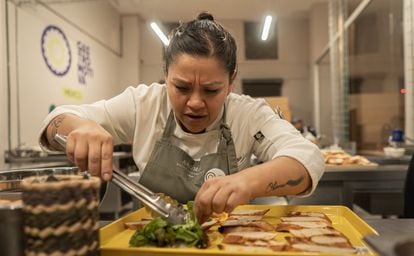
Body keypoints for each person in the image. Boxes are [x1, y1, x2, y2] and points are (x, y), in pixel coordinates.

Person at [39, 12, 324, 223]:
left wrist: (248, 182)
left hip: (227, 242)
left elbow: (306, 157)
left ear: (231, 80)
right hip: (154, 242)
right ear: (166, 75)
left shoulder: (247, 114)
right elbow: (57, 120)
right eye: (182, 87)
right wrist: (82, 127)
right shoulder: (143, 104)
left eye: (212, 90)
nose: (196, 103)